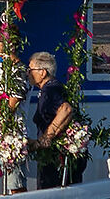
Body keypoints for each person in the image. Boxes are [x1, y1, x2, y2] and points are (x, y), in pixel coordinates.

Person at [26, 49, 79, 189]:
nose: (28, 73)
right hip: (52, 154)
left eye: (30, 69)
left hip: (53, 157)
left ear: (42, 72)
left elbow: (66, 109)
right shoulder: (51, 88)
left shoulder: (50, 89)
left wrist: (47, 137)